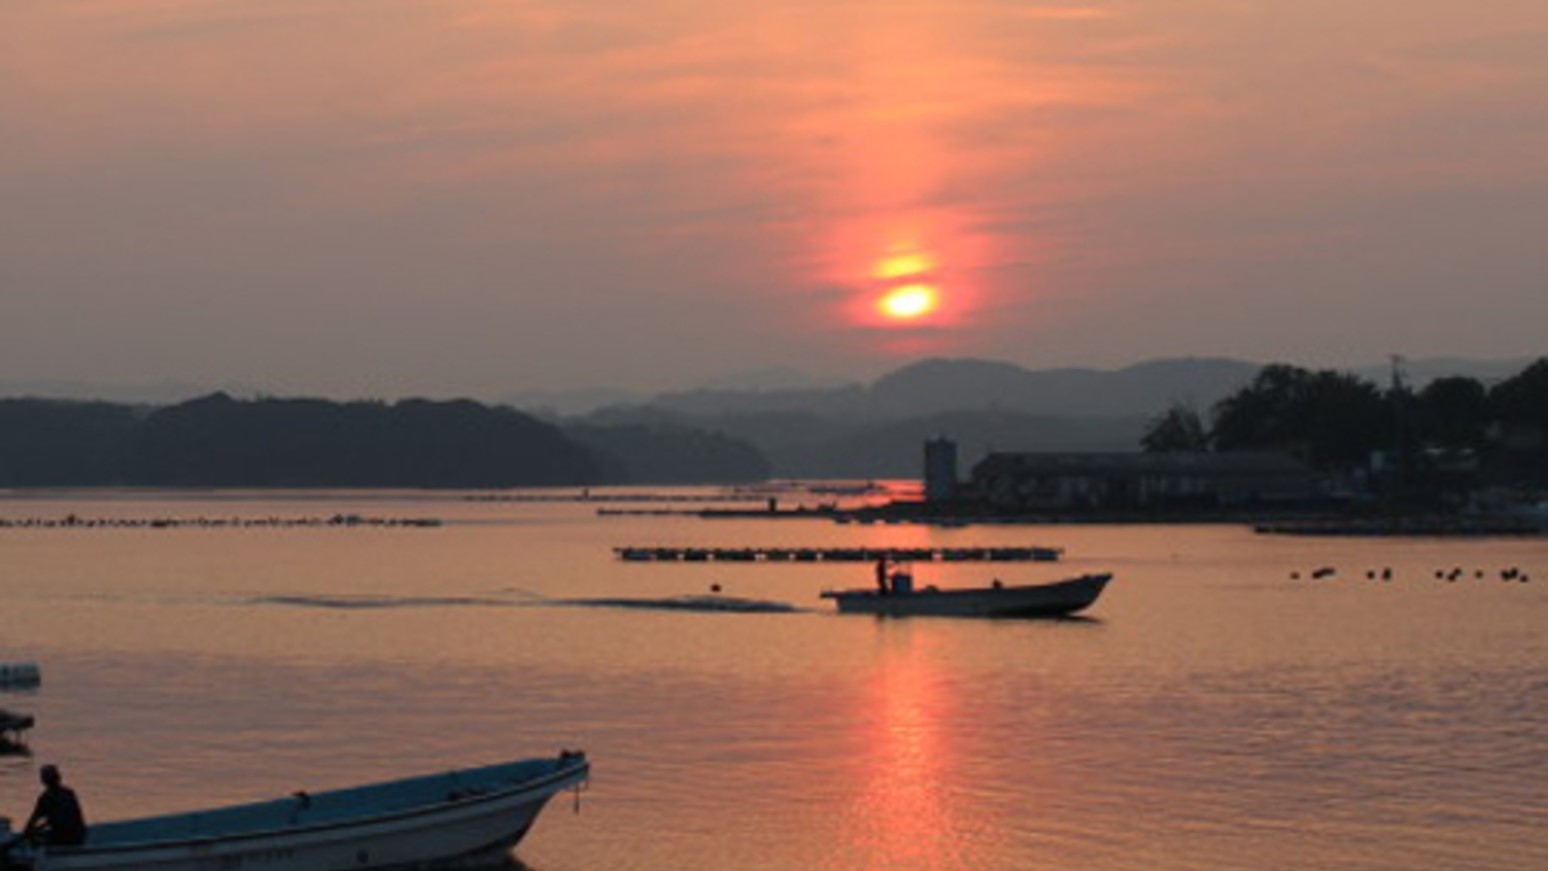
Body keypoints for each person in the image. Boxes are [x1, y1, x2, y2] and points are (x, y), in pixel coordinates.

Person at [24, 764, 87, 847]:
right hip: (78, 836)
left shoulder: (46, 798)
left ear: (43, 781)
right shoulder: (69, 793)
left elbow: (34, 818)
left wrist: (27, 832)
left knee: (35, 840)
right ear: (58, 778)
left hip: (63, 838)